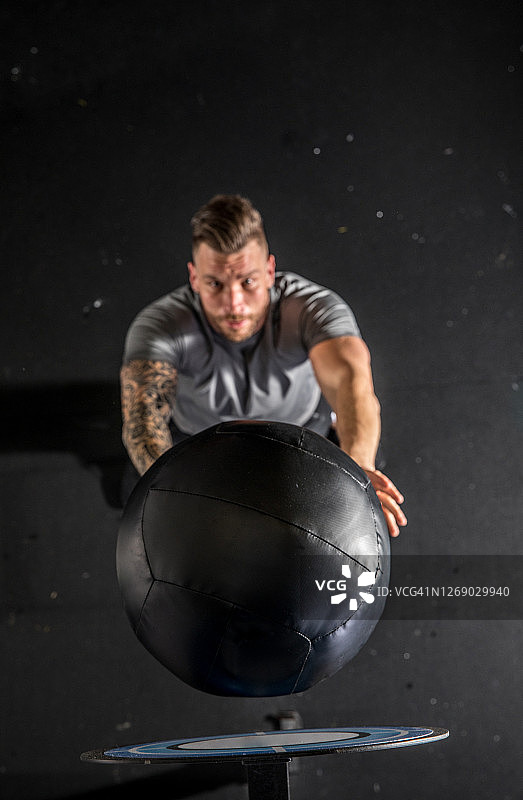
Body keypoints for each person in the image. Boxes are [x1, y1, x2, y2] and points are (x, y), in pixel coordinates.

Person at [120, 195, 407, 537]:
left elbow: (352, 386)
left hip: (299, 432)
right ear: (194, 278)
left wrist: (358, 466)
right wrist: (172, 492)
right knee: (140, 496)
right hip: (203, 441)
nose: (234, 304)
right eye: (215, 284)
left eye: (248, 281)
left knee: (354, 483)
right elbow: (142, 419)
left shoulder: (312, 308)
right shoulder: (161, 324)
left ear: (270, 271)